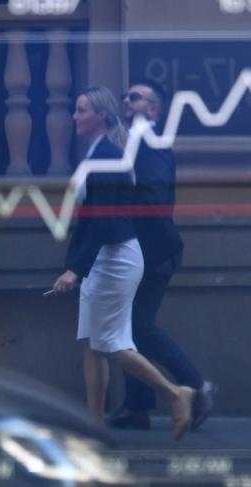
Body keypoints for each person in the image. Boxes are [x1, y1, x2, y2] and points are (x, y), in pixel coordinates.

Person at [52, 85, 195, 440]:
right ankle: (94, 423)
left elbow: (102, 221)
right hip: (102, 258)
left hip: (115, 258)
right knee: (91, 342)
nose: (74, 115)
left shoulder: (108, 156)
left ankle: (177, 395)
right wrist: (77, 265)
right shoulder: (99, 152)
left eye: (82, 110)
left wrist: (75, 269)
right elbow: (88, 220)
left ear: (100, 115)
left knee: (113, 343)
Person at [107, 81, 217, 431]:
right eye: (125, 96)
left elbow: (152, 198)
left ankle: (198, 387)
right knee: (130, 329)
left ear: (153, 110)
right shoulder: (139, 140)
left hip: (151, 249)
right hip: (147, 247)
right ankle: (137, 408)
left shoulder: (149, 141)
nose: (127, 100)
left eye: (135, 97)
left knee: (138, 326)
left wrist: (125, 222)